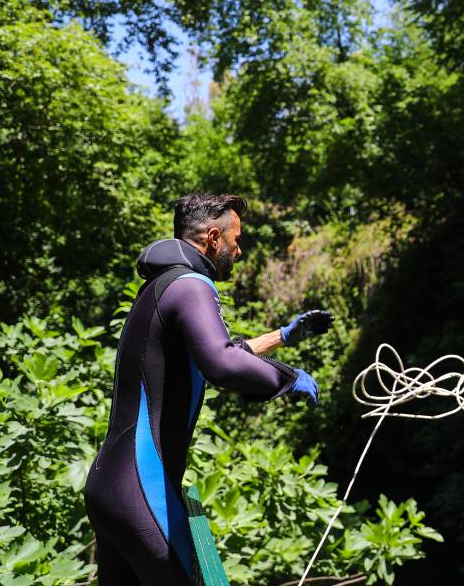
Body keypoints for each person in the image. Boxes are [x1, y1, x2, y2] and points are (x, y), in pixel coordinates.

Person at [84, 193, 333, 585]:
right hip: (141, 490)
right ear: (214, 238)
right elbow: (221, 364)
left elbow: (211, 355)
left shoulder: (162, 285)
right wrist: (288, 378)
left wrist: (281, 336)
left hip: (109, 485)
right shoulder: (192, 285)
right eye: (236, 239)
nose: (240, 249)